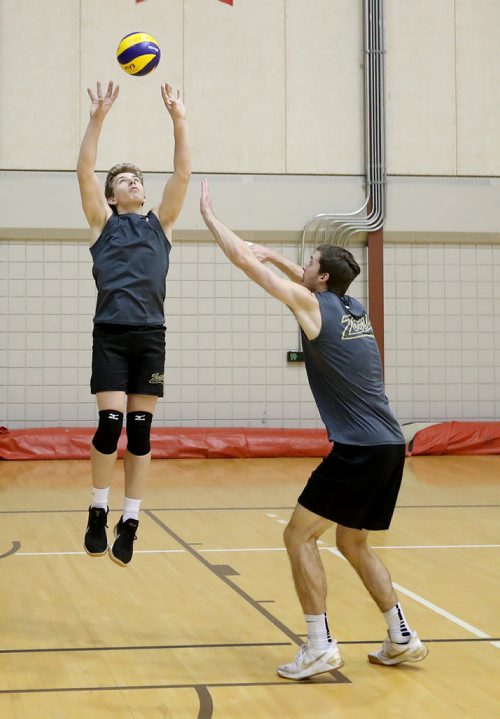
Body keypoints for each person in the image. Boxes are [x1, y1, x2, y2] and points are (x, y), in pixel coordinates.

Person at [199, 179, 428, 679]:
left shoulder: (314, 307)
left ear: (320, 277)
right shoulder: (355, 308)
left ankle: (319, 643)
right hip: (391, 447)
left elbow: (245, 265)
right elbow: (308, 284)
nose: (301, 269)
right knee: (353, 543)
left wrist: (214, 222)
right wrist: (282, 260)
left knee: (298, 537)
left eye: (308, 265)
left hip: (358, 450)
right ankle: (401, 635)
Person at [77, 80, 191, 566]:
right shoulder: (103, 224)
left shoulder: (158, 226)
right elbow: (84, 169)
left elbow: (182, 174)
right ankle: (98, 508)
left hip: (150, 336)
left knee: (140, 432)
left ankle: (131, 520)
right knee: (110, 423)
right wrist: (98, 117)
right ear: (111, 195)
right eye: (124, 179)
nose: (134, 182)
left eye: (137, 178)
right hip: (112, 334)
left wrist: (178, 119)